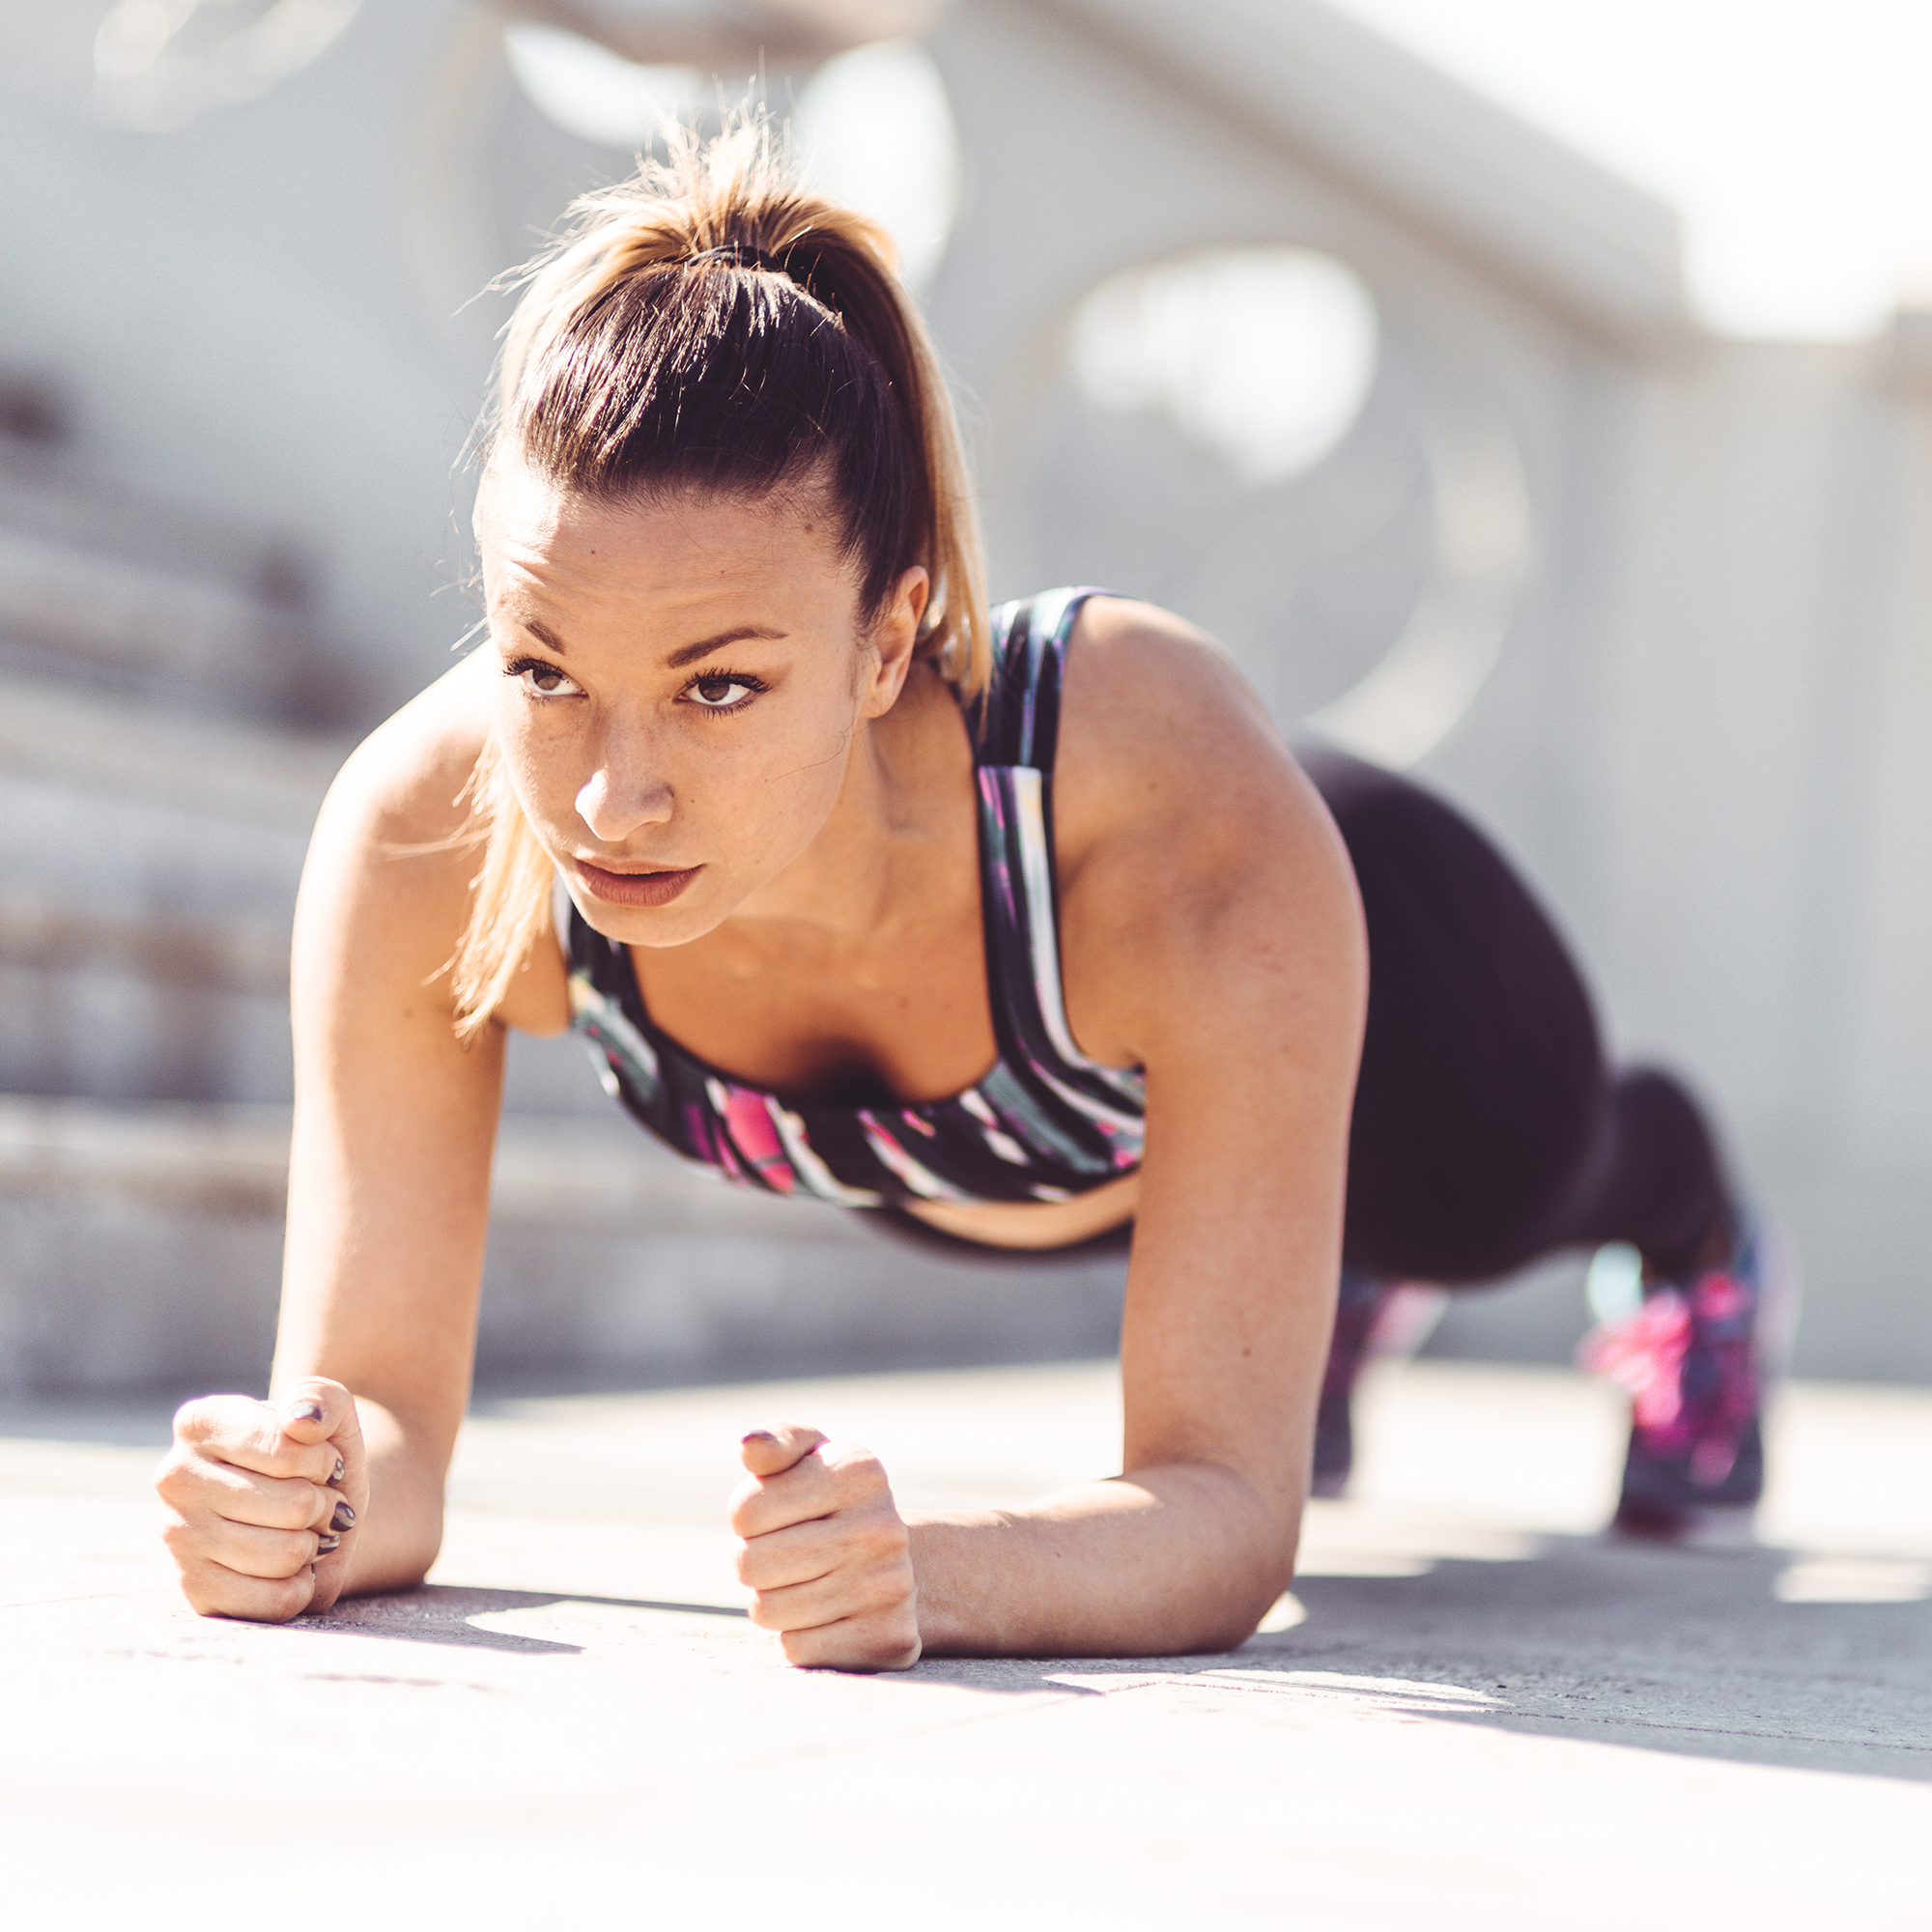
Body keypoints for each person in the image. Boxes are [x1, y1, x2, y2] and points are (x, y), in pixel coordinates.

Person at [154, 121, 1784, 1671]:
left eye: (718, 688)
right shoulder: (432, 836)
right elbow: (374, 1413)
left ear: (886, 637)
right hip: (1046, 1165)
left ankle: (1686, 1214)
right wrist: (306, 1500)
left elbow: (1224, 1510)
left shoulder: (1167, 825)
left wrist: (934, 1567)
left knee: (1502, 1194)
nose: (607, 796)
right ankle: (1308, 1278)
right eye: (543, 667)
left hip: (1409, 991)